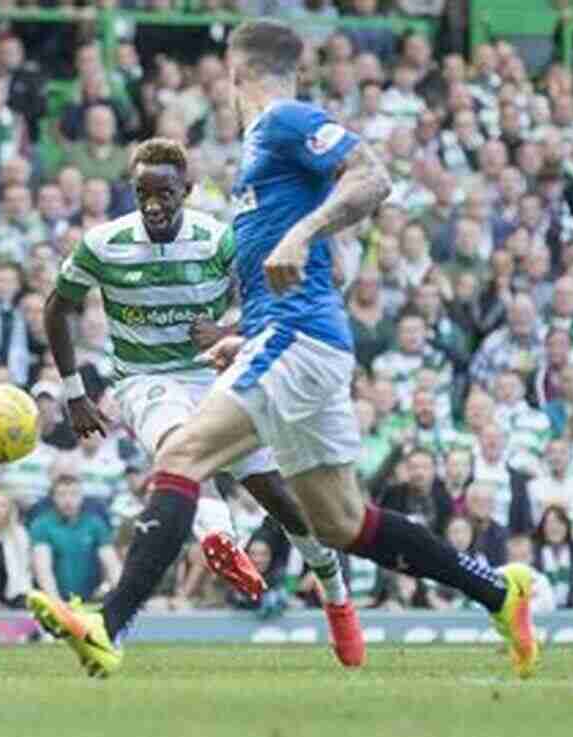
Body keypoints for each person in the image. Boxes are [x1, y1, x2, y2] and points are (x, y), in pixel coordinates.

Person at [27, 20, 539, 679]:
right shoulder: (259, 155)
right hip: (295, 340)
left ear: (238, 75)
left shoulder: (282, 121)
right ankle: (499, 591)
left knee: (181, 454)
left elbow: (372, 178)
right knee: (344, 522)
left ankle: (108, 621)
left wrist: (303, 233)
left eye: (223, 76)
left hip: (297, 341)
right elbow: (332, 270)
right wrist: (245, 330)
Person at [40, 135, 363, 667]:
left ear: (186, 191)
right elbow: (57, 308)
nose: (153, 204)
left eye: (165, 193)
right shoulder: (103, 244)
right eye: (143, 192)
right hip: (144, 379)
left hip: (217, 374)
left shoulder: (218, 241)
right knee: (177, 448)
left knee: (275, 494)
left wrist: (226, 330)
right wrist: (75, 392)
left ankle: (335, 594)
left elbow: (276, 299)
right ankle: (218, 534)